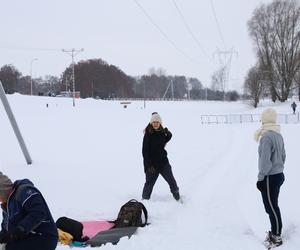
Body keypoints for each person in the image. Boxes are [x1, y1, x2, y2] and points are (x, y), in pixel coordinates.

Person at [0, 172, 58, 250]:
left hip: (44, 237)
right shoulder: (7, 205)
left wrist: (18, 230)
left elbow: (38, 213)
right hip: (27, 237)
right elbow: (6, 229)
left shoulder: (24, 192)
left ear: (3, 190)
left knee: (8, 248)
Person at [254, 108, 285, 248]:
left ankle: (276, 236)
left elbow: (264, 162)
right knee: (273, 206)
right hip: (278, 175)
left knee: (271, 207)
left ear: (265, 120)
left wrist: (261, 178)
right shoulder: (278, 135)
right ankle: (275, 232)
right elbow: (283, 156)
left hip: (269, 178)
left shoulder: (266, 137)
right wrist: (278, 168)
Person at [142, 112, 180, 201]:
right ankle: (144, 202)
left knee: (172, 181)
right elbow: (145, 152)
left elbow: (164, 140)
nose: (155, 124)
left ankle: (177, 198)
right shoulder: (148, 134)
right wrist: (148, 166)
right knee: (149, 184)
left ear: (160, 123)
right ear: (151, 123)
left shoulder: (162, 132)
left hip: (163, 162)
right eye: (154, 122)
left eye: (157, 122)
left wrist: (169, 134)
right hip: (152, 165)